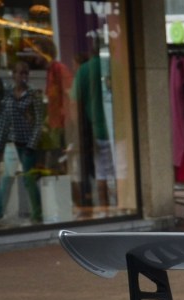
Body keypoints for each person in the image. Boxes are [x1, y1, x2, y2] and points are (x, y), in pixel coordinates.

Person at [0, 61, 45, 227]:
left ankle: (37, 214)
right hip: (12, 143)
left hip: (27, 144)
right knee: (6, 179)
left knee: (29, 180)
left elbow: (39, 121)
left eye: (26, 73)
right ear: (13, 75)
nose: (23, 77)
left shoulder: (33, 95)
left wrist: (32, 144)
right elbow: (4, 122)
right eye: (20, 73)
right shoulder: (9, 95)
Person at [74, 51, 115, 208]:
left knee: (101, 172)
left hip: (96, 129)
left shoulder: (83, 70)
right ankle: (121, 204)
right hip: (117, 128)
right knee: (119, 170)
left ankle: (105, 207)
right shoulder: (114, 64)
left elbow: (75, 102)